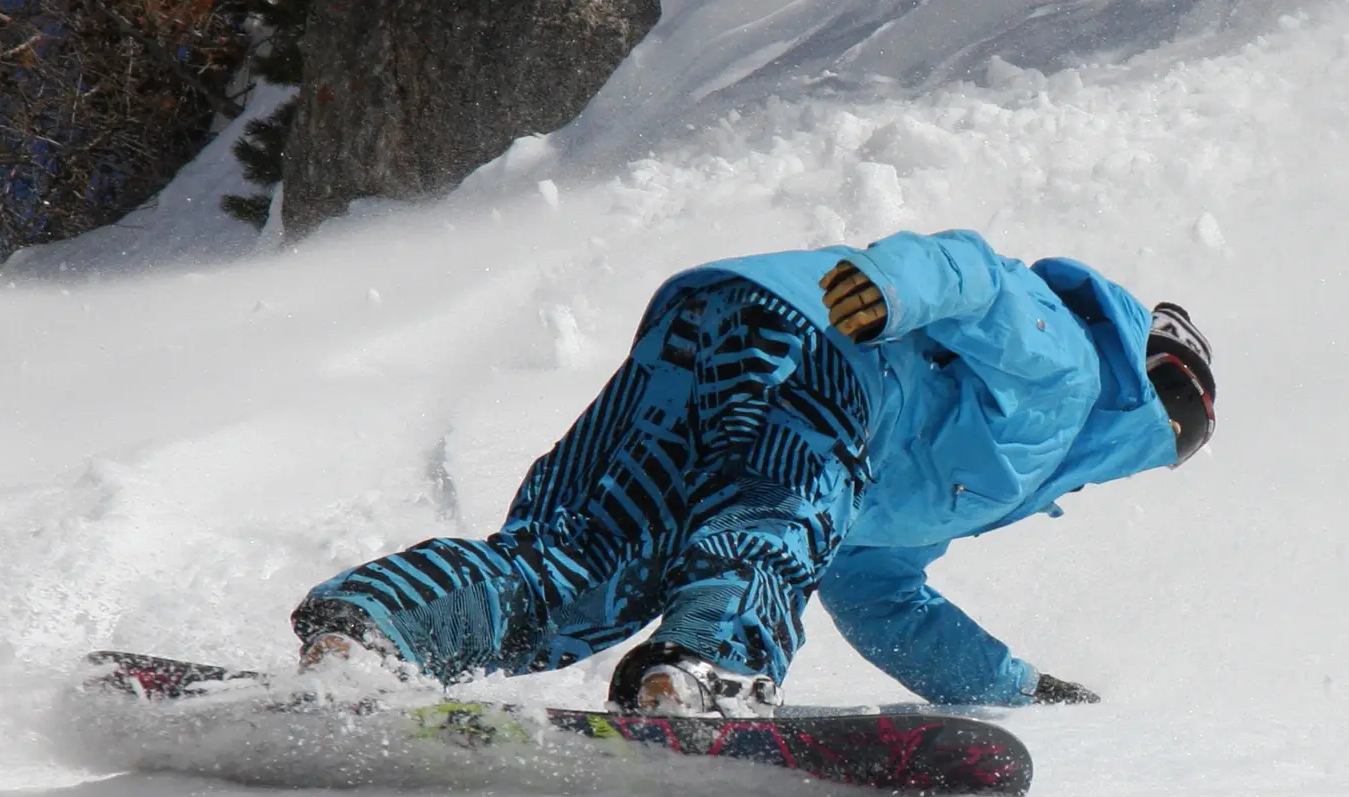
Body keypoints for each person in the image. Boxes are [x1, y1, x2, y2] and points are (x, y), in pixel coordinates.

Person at [290, 229, 1216, 717]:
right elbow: (975, 274)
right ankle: (712, 666)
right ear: (1158, 388)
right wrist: (890, 286)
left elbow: (886, 603)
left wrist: (1016, 686)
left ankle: (377, 628)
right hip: (820, 348)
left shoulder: (972, 494)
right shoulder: (1074, 370)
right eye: (1183, 428)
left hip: (708, 329)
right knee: (777, 520)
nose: (1170, 449)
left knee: (588, 558)